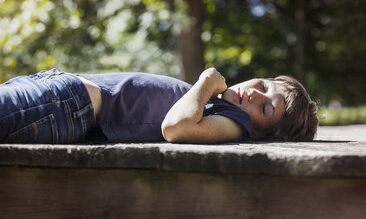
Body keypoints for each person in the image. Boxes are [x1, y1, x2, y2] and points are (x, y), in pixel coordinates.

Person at [0, 68, 318, 144]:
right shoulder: (216, 106)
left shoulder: (235, 122)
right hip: (59, 90)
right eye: (262, 87)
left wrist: (207, 81)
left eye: (265, 109)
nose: (255, 95)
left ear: (263, 132)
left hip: (70, 102)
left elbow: (175, 128)